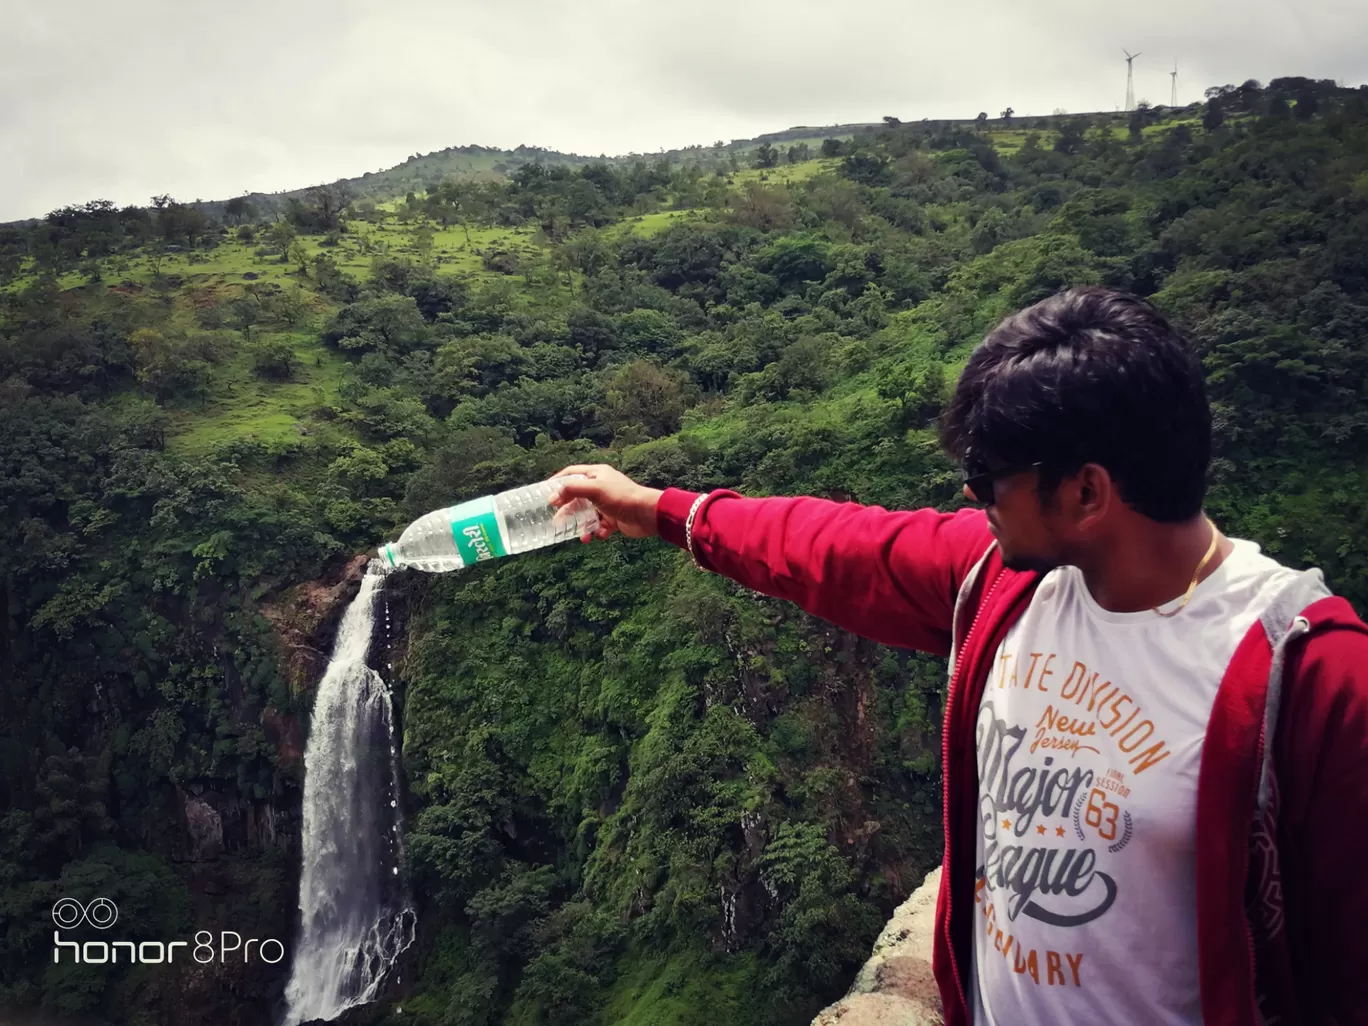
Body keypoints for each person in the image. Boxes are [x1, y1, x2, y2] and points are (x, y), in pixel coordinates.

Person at [547, 285, 1368, 1026]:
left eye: (987, 473)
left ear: (1087, 493)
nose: (969, 495)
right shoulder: (1005, 582)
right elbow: (832, 548)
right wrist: (658, 509)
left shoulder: (1308, 680)